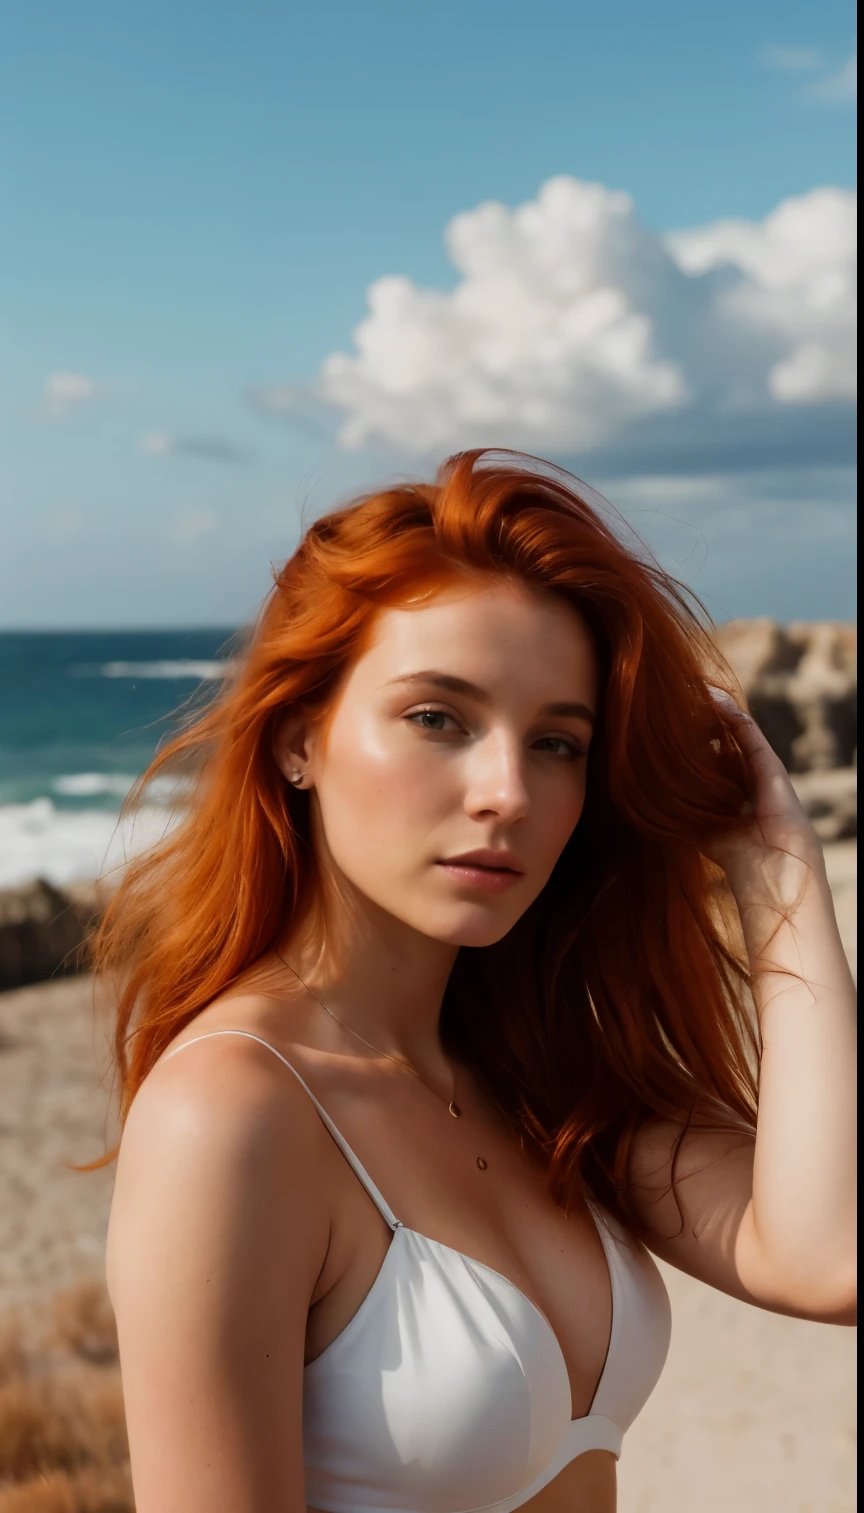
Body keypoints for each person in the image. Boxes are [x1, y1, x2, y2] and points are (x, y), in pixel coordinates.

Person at [99, 450, 856, 1513]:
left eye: (557, 743)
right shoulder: (232, 1118)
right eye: (437, 719)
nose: (507, 792)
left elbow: (831, 1256)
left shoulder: (536, 1067)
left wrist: (777, 877)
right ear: (297, 738)